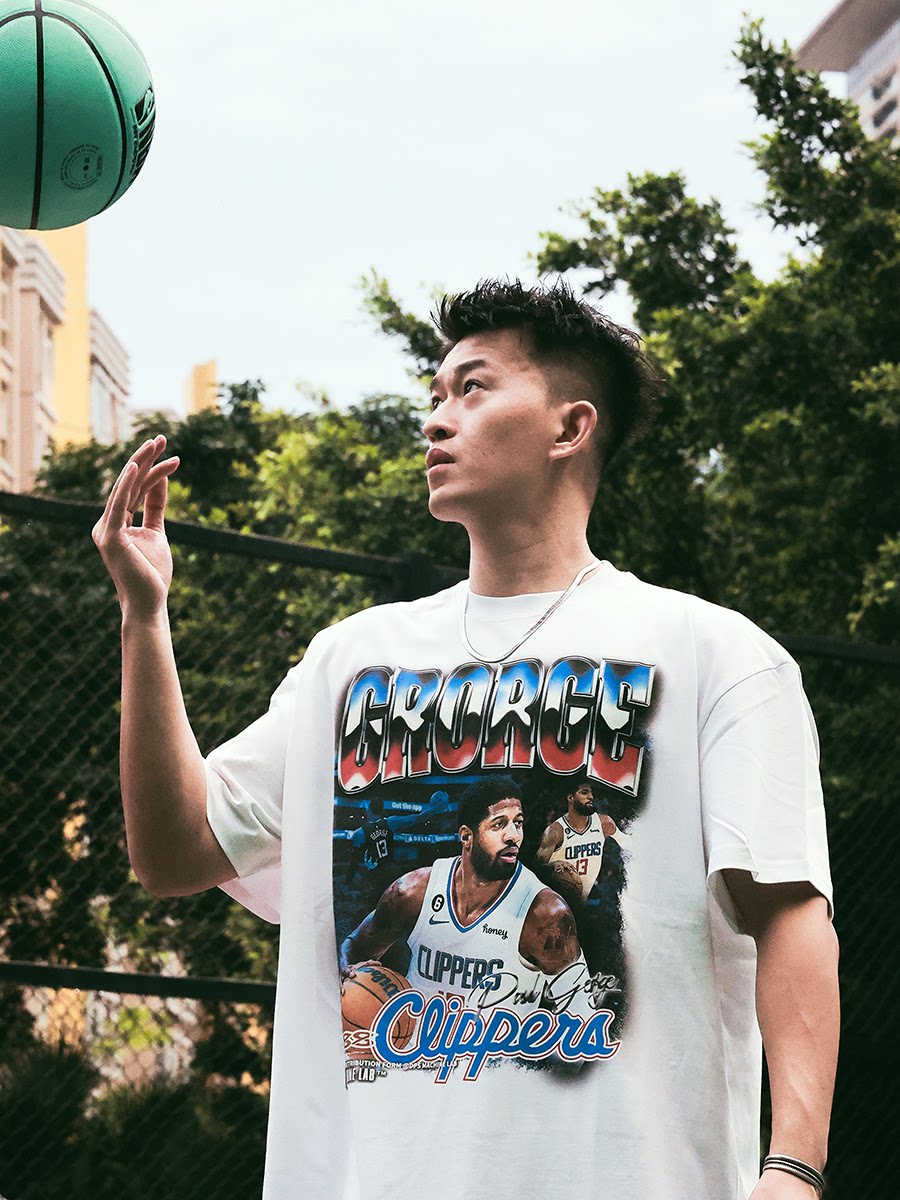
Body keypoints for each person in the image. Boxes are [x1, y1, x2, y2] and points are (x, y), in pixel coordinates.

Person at [92, 278, 838, 1200]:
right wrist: (144, 618)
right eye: (436, 392)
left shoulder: (717, 655)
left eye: (473, 387)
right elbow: (173, 853)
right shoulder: (348, 661)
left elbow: (790, 912)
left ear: (570, 428)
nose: (437, 417)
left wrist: (794, 1167)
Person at [339, 775, 592, 1045]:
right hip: (416, 1060)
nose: (514, 836)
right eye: (499, 824)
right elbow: (354, 948)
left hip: (494, 1066)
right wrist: (348, 972)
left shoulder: (544, 913)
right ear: (466, 836)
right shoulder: (413, 891)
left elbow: (584, 1023)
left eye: (518, 823)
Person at [535, 777, 626, 907]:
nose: (591, 797)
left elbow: (629, 845)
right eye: (584, 792)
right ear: (570, 798)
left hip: (581, 904)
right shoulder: (555, 831)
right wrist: (553, 866)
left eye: (591, 793)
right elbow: (535, 870)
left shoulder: (604, 823)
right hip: (553, 905)